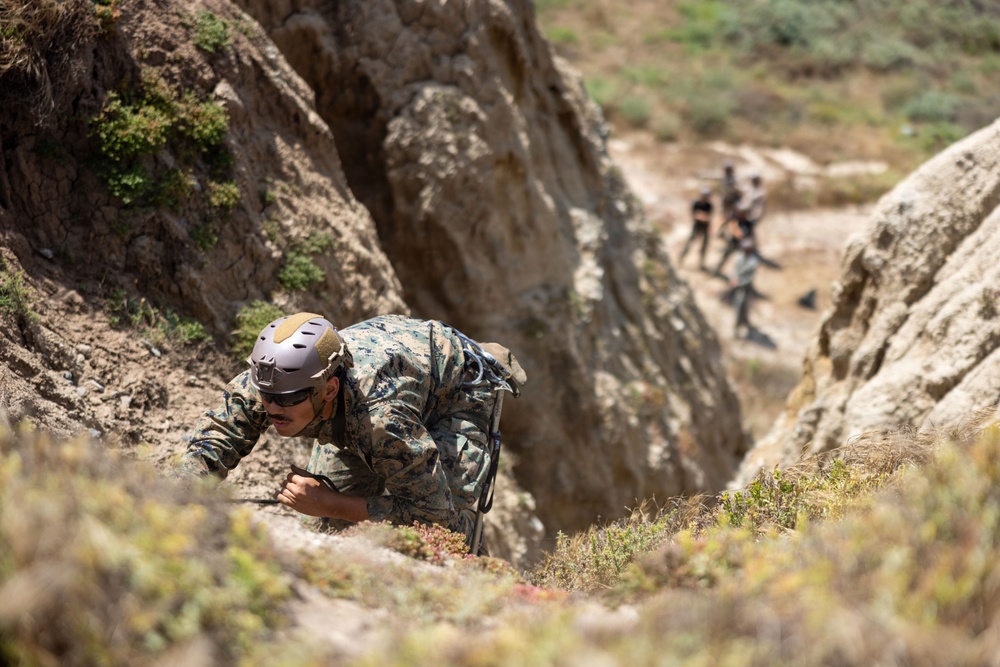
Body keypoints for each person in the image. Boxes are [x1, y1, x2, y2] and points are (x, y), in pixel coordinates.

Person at [175, 312, 526, 553]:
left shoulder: (382, 420)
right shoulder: (276, 379)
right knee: (327, 528)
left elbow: (432, 517)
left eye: (288, 399)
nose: (273, 408)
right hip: (375, 392)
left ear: (327, 389)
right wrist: (171, 496)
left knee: (448, 537)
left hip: (454, 393)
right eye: (266, 396)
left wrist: (331, 502)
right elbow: (217, 438)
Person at [678, 186, 714, 270]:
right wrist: (702, 217)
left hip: (705, 227)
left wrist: (701, 216)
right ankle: (681, 258)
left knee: (704, 245)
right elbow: (695, 215)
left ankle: (701, 263)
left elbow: (708, 217)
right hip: (697, 226)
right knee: (689, 243)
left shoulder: (709, 205)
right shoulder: (696, 203)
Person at [731, 237, 760, 338]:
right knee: (738, 307)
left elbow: (749, 278)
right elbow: (735, 270)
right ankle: (737, 327)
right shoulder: (739, 257)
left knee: (744, 307)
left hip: (746, 288)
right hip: (739, 287)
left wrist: (738, 283)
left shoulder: (753, 261)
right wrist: (734, 279)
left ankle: (742, 325)